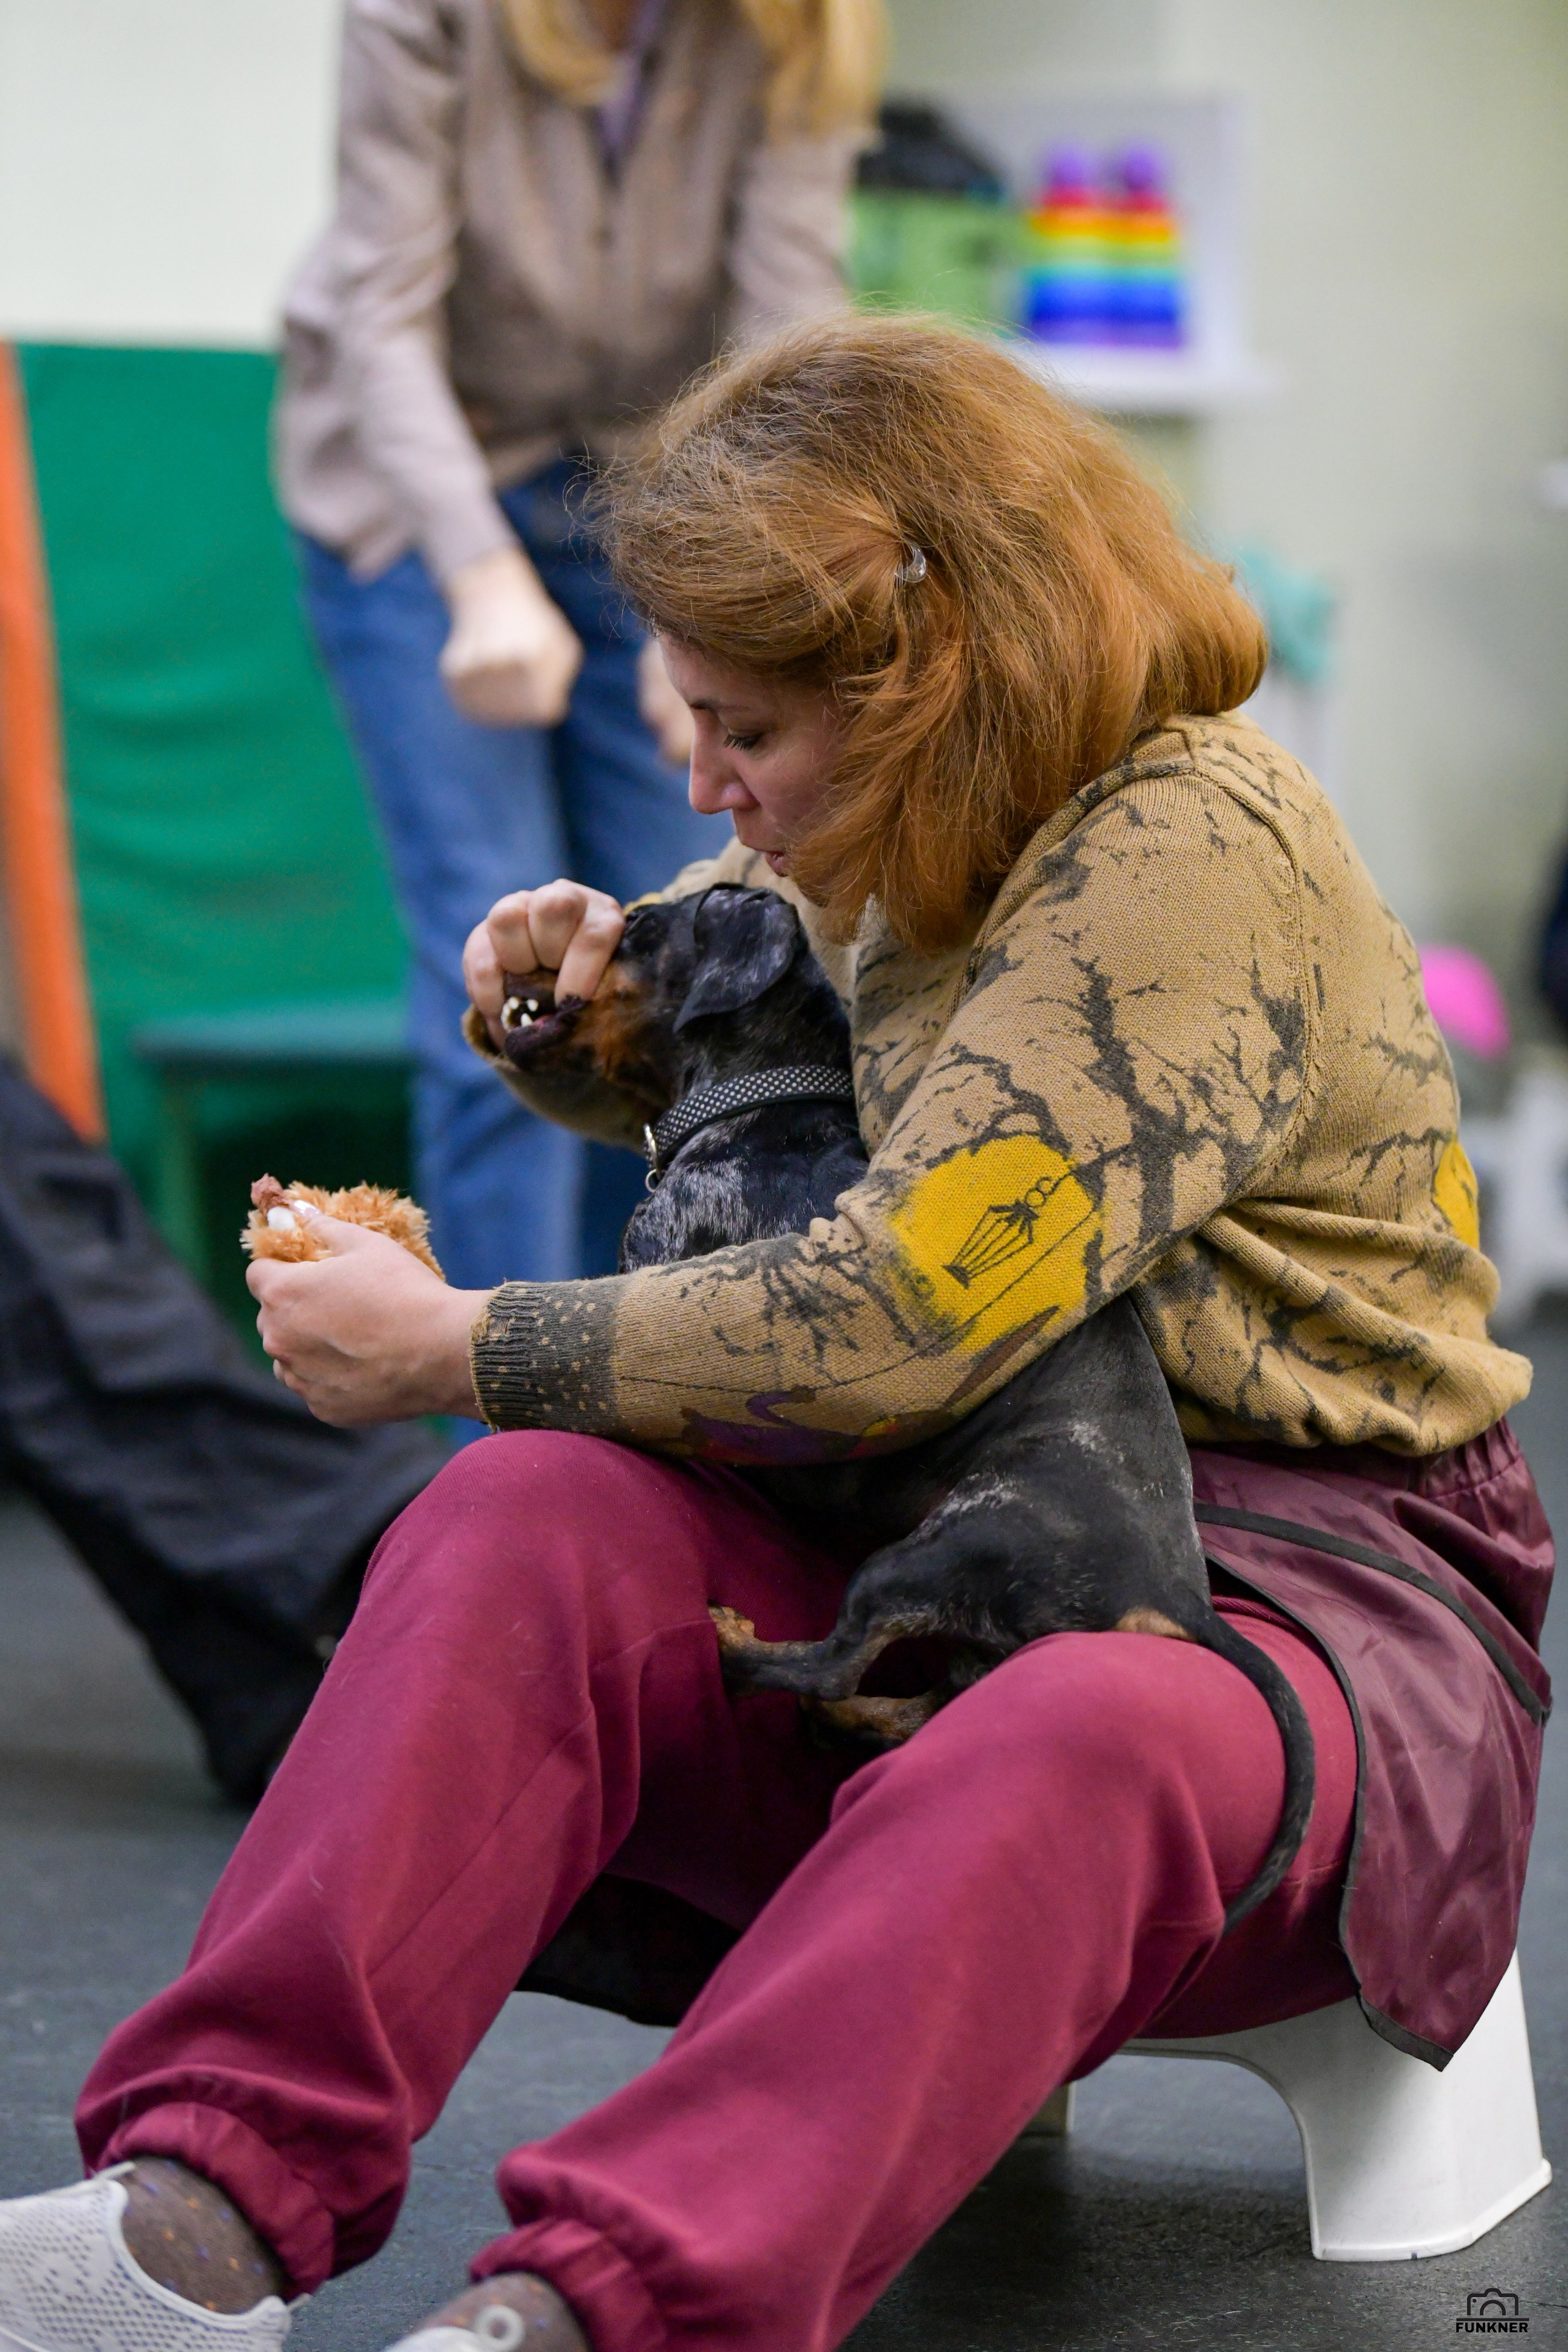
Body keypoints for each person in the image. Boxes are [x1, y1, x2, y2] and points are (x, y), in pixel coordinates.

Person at [1, 318, 1550, 2352]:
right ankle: (204, 2199)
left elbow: (901, 1309)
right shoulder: (886, 813)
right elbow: (771, 1071)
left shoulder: (1188, 848)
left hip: (1297, 1622)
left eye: (747, 731)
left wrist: (463, 1341)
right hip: (925, 1550)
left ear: (929, 681)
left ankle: (606, 2306)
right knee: (525, 1522)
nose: (702, 780)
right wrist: (579, 1027)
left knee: (1063, 1721)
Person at [279, 0, 882, 1300]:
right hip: (418, 487)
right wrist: (481, 577)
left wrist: (743, 617)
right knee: (517, 973)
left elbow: (785, 321)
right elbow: (378, 314)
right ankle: (485, 1430)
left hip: (650, 493)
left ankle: (640, 1403)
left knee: (672, 960)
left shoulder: (794, 29)